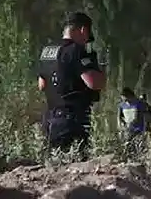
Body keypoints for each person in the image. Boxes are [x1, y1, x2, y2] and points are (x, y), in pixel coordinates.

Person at [37, 11, 106, 160]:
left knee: (55, 165)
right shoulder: (76, 50)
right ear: (83, 30)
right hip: (72, 119)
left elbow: (42, 85)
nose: (86, 41)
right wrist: (100, 70)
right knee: (77, 164)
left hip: (49, 117)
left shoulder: (47, 51)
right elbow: (93, 83)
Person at [117, 87, 148, 155]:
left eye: (124, 97)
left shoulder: (139, 104)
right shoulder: (122, 105)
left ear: (129, 96)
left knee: (137, 147)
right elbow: (119, 117)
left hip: (138, 129)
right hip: (127, 129)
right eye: (122, 97)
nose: (123, 99)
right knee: (127, 146)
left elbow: (144, 116)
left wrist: (146, 128)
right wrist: (121, 126)